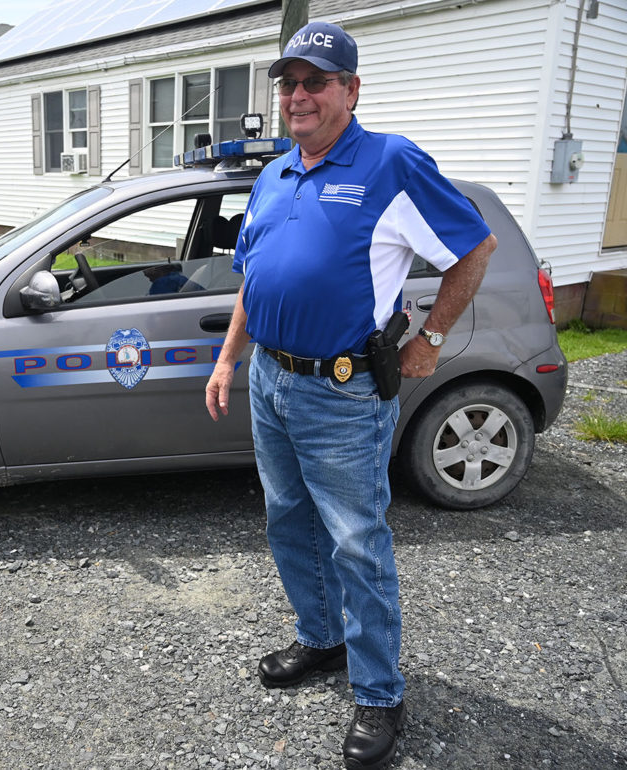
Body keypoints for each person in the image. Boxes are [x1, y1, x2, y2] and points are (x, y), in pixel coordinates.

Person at [205, 20, 496, 770]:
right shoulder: (275, 173)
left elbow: (475, 247)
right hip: (271, 379)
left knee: (357, 542)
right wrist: (229, 361)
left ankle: (378, 692)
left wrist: (430, 336)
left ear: (351, 90)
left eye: (316, 82)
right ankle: (322, 639)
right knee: (288, 523)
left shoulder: (390, 162)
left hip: (343, 392)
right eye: (290, 83)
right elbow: (253, 280)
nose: (299, 95)